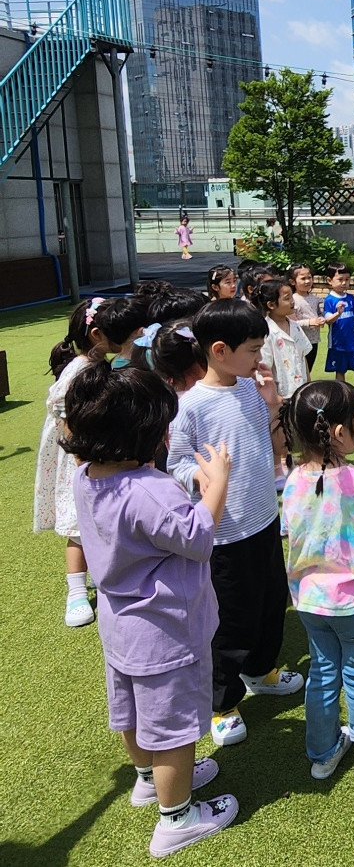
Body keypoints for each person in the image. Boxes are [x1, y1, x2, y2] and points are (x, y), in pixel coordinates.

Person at [64, 362, 238, 857]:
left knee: (135, 714)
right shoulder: (149, 489)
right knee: (174, 728)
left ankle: (147, 780)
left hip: (121, 624)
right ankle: (177, 817)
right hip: (166, 629)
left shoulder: (86, 477)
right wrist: (217, 482)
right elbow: (199, 536)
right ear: (145, 433)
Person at [167, 301, 304, 746]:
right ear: (220, 350)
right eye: (252, 349)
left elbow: (266, 440)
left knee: (270, 601)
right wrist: (205, 475)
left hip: (264, 518)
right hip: (223, 533)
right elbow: (175, 464)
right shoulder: (191, 406)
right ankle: (222, 703)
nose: (259, 359)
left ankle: (262, 669)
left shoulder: (248, 387)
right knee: (228, 620)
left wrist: (271, 407)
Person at [279, 380, 354, 779]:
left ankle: (323, 751)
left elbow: (293, 530)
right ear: (338, 432)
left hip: (311, 601)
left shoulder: (293, 482)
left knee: (323, 671)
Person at [34, 299, 108, 627]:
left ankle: (105, 577)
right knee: (79, 526)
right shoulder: (80, 368)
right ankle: (76, 591)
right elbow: (62, 407)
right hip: (79, 457)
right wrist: (81, 457)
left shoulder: (98, 362)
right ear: (96, 334)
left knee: (102, 522)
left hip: (94, 452)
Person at [253, 278, 311, 399]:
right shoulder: (266, 332)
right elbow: (265, 367)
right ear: (271, 305)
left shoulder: (296, 327)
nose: (292, 302)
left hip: (301, 391)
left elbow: (303, 357)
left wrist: (309, 386)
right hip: (280, 395)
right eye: (287, 298)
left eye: (291, 297)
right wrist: (274, 397)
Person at [322, 262, 354, 401]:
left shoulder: (350, 298)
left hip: (353, 343)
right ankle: (342, 394)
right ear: (329, 281)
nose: (344, 283)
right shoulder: (329, 300)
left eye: (347, 279)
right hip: (338, 344)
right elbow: (328, 320)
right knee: (340, 370)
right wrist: (337, 313)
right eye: (340, 279)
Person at [288, 264, 325, 376]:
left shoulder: (314, 298)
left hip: (313, 340)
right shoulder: (293, 300)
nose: (307, 281)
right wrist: (310, 322)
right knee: (299, 371)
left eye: (309, 278)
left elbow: (318, 313)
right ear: (293, 282)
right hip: (299, 341)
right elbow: (291, 323)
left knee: (309, 370)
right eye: (303, 278)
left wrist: (321, 319)